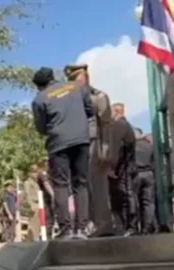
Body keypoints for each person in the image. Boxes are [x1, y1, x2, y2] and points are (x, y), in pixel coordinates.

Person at [31, 66, 94, 240]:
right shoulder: (77, 87)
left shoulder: (39, 99)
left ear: (39, 85)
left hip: (58, 144)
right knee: (81, 183)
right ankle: (82, 228)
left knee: (61, 185)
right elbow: (90, 110)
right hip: (81, 140)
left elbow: (41, 128)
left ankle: (66, 229)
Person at [64, 64, 114, 237]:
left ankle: (104, 224)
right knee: (82, 187)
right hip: (77, 146)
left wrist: (106, 150)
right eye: (70, 80)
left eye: (75, 79)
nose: (73, 83)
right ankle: (89, 224)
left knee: (97, 185)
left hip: (94, 143)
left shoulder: (98, 96)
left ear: (85, 78)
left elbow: (106, 125)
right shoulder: (69, 98)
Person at [108, 103, 137, 236]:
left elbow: (117, 149)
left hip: (121, 169)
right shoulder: (127, 126)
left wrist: (111, 168)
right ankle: (130, 225)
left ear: (116, 112)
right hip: (126, 167)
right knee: (127, 195)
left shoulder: (119, 126)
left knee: (123, 196)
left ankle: (127, 226)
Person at [134, 128, 157, 234]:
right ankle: (147, 227)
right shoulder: (149, 146)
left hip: (136, 174)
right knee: (148, 202)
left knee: (135, 201)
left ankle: (135, 227)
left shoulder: (131, 146)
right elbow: (154, 161)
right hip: (149, 173)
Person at [24, 165, 42, 241]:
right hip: (33, 204)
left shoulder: (36, 183)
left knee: (38, 224)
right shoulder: (27, 182)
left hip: (38, 204)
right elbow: (27, 194)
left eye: (36, 172)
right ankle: (34, 240)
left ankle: (34, 239)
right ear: (30, 173)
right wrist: (31, 204)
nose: (36, 174)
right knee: (33, 224)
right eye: (34, 172)